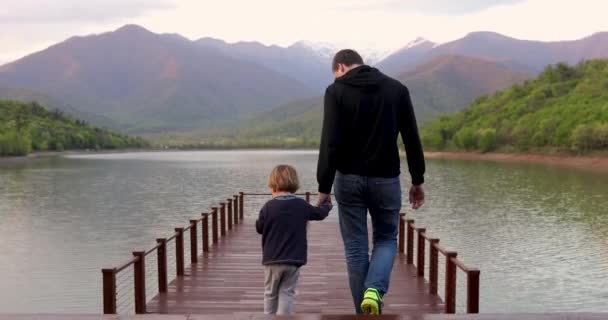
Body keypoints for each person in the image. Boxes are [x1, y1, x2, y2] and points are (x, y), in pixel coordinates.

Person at [316, 49, 426, 315]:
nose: (337, 78)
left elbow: (330, 142)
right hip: (386, 179)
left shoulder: (336, 91)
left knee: (355, 249)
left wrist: (324, 188)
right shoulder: (397, 89)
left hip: (348, 179)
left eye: (336, 74)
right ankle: (374, 291)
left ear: (340, 66)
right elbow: (411, 137)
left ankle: (363, 313)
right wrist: (417, 180)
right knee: (386, 240)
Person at [256, 164, 332, 315]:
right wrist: (327, 205)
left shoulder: (268, 207)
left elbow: (259, 228)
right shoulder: (301, 205)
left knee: (270, 293)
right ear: (294, 183)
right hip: (293, 260)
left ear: (273, 184)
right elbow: (319, 214)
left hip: (272, 260)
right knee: (287, 293)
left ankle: (269, 318)